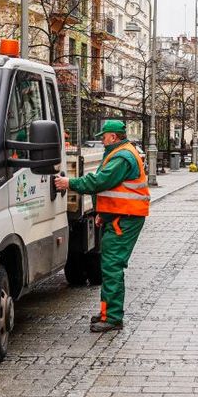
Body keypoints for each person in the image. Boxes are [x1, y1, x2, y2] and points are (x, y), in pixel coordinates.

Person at [55, 120, 149, 333]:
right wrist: (103, 214)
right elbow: (111, 188)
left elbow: (100, 182)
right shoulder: (119, 152)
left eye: (104, 136)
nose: (102, 140)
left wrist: (70, 183)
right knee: (110, 266)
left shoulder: (122, 157)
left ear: (113, 136)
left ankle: (113, 317)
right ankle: (108, 312)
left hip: (125, 218)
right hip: (119, 216)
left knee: (112, 266)